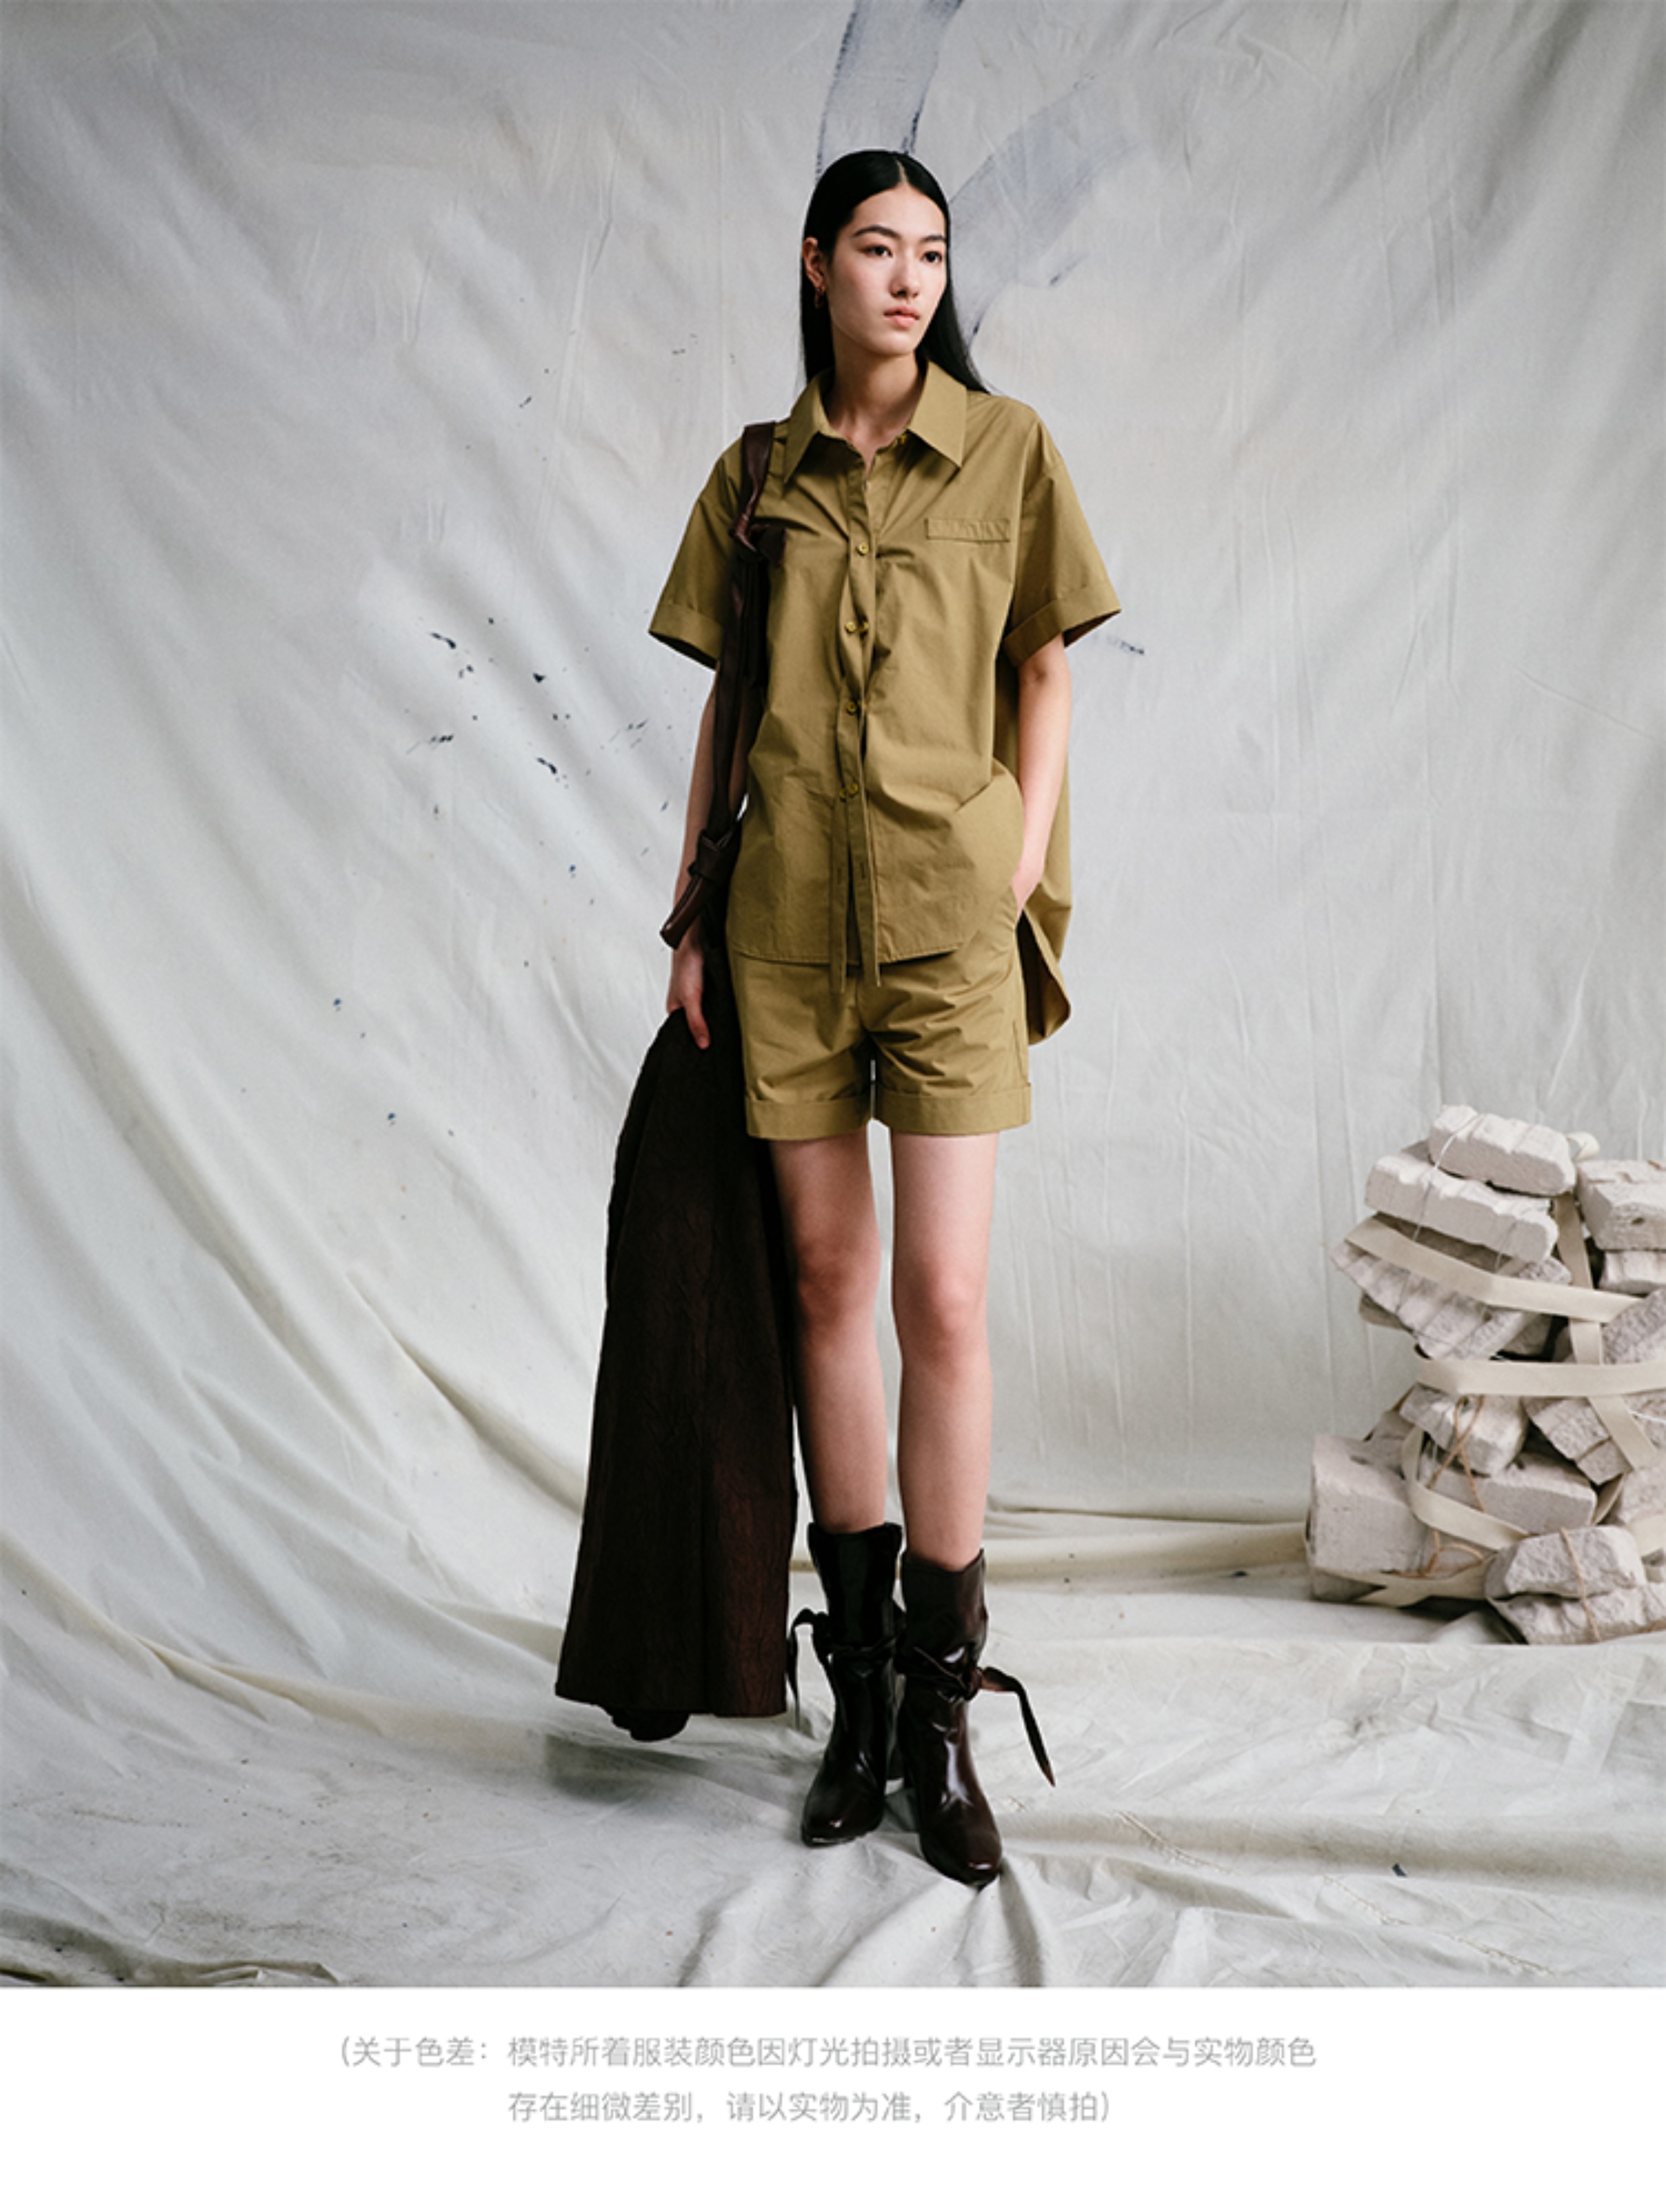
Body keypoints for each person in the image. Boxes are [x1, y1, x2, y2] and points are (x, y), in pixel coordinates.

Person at [650, 148, 1118, 1887]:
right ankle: (856, 1697)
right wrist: (688, 922)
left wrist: (1018, 853)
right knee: (830, 1289)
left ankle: (940, 1713)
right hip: (782, 928)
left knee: (944, 1297)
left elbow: (1046, 663)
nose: (908, 277)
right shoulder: (755, 476)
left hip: (947, 928)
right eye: (875, 247)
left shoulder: (1010, 451)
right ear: (816, 265)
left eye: (930, 251)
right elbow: (728, 707)